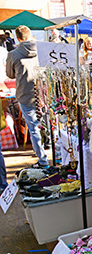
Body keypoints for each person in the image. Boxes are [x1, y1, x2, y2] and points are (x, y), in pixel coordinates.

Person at [5, 25, 49, 168]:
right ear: (30, 35)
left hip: (25, 94)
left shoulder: (14, 54)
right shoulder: (43, 49)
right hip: (44, 93)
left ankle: (43, 160)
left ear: (17, 38)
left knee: (34, 128)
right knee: (49, 125)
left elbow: (10, 75)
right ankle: (58, 155)